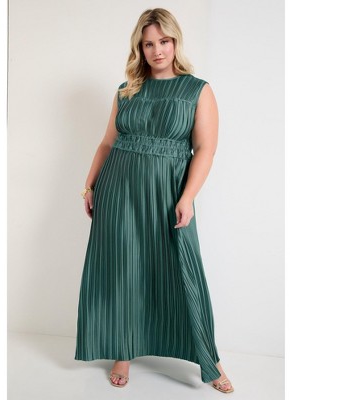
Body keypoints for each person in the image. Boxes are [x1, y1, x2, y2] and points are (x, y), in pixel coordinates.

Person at [75, 7, 234, 394]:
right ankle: (123, 351)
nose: (157, 50)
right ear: (139, 48)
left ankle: (209, 359)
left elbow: (205, 149)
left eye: (164, 41)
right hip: (118, 190)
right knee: (123, 269)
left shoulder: (197, 90)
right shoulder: (126, 90)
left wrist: (188, 197)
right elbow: (107, 142)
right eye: (148, 44)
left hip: (168, 193)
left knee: (183, 269)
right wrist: (90, 185)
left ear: (175, 42)